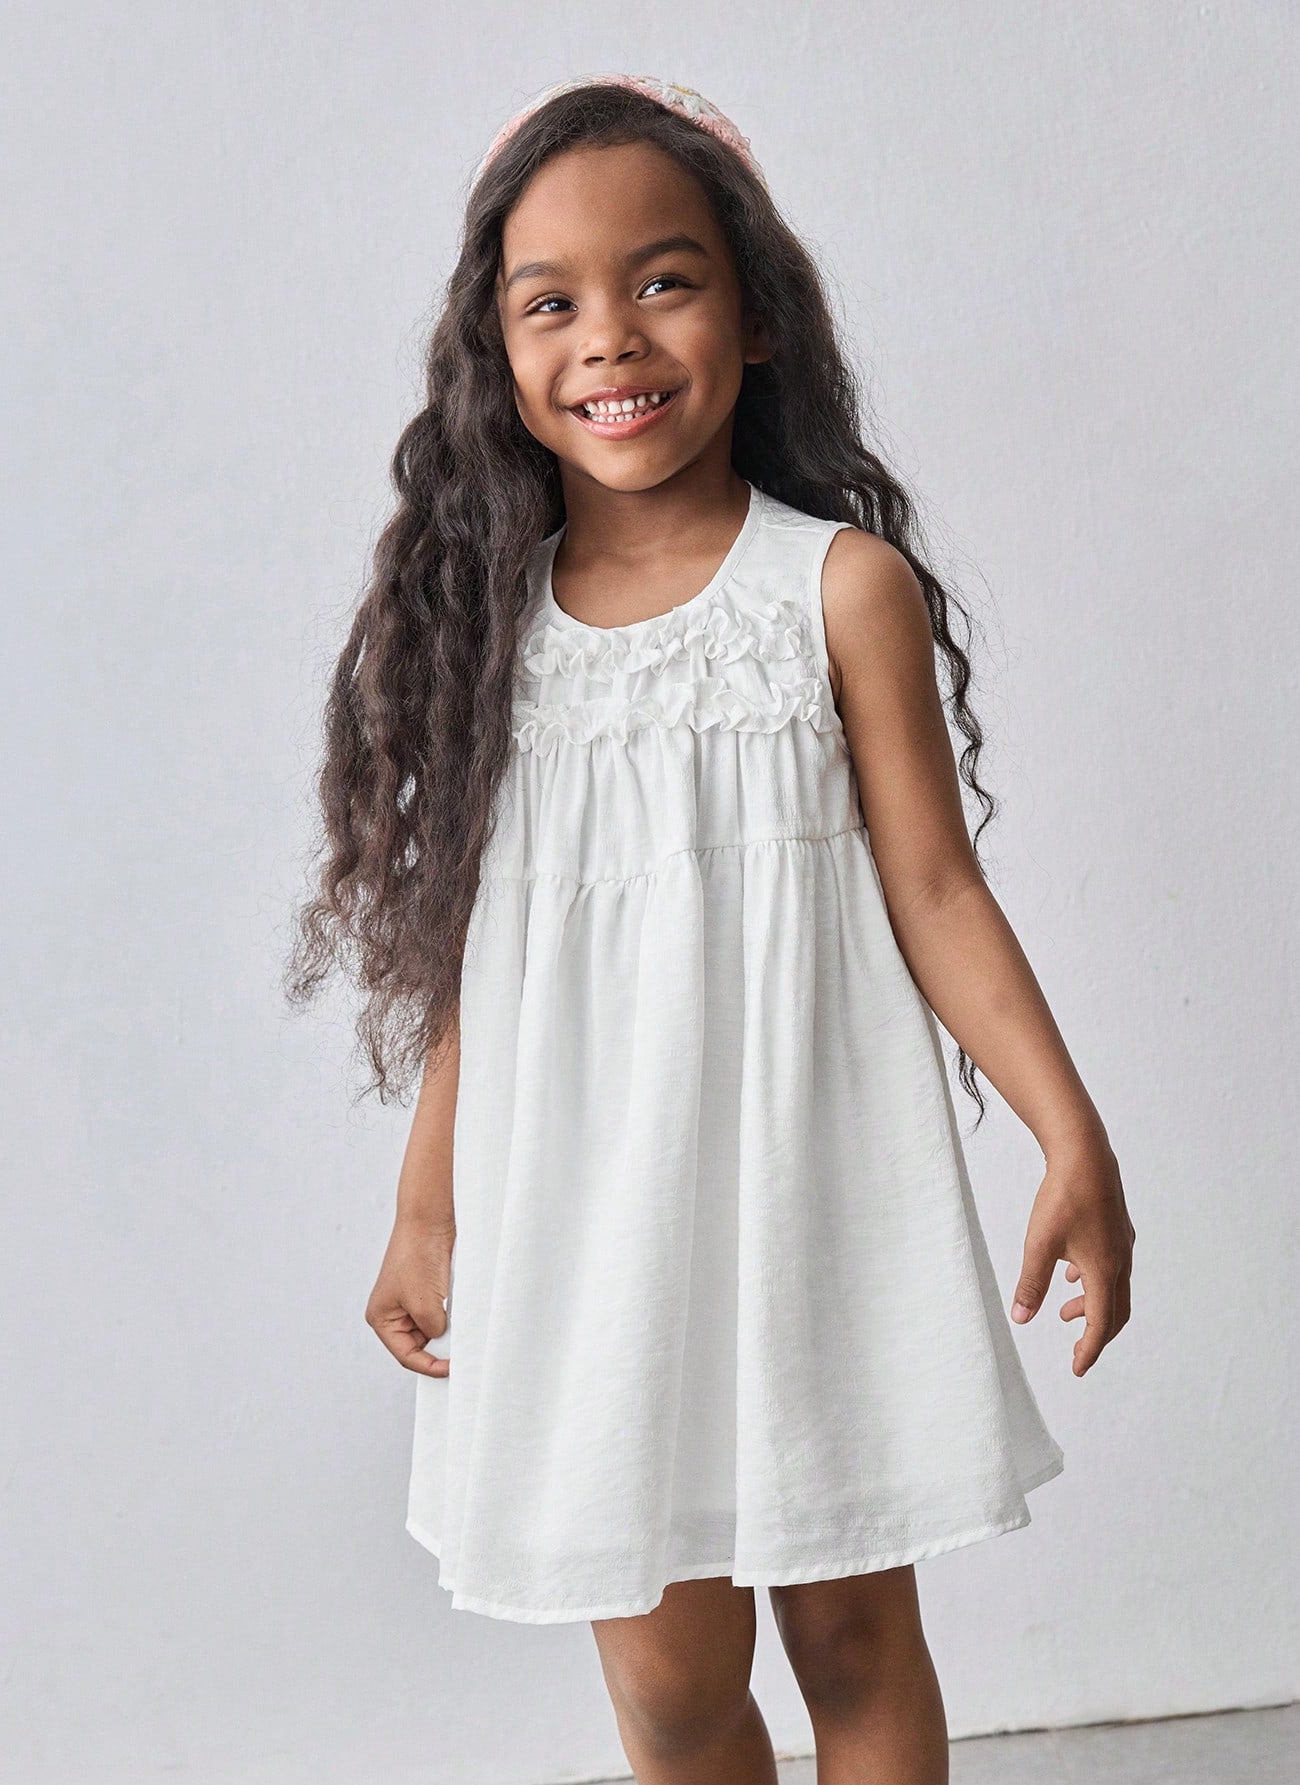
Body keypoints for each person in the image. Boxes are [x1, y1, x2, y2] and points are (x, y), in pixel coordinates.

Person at [287, 72, 1135, 1785]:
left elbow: (938, 890)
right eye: (553, 302)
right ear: (497, 355)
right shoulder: (489, 640)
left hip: (810, 1194)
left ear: (755, 319)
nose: (612, 334)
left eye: (663, 279)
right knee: (672, 1685)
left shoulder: (837, 590)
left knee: (851, 1640)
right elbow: (481, 954)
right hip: (588, 1223)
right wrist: (426, 1205)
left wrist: (1070, 1131)